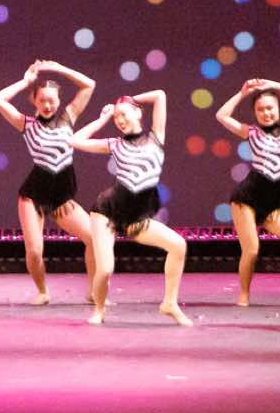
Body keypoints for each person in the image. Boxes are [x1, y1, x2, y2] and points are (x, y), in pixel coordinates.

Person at [73, 91, 192, 326]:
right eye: (116, 117)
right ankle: (99, 310)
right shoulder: (115, 144)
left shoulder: (156, 139)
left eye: (123, 114)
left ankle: (170, 303)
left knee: (178, 245)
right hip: (106, 212)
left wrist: (127, 98)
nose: (119, 120)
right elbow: (74, 140)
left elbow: (160, 95)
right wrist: (103, 119)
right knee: (105, 269)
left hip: (137, 218)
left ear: (138, 112)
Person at [0, 60, 99, 304]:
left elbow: (89, 85)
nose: (47, 105)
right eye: (42, 100)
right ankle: (42, 292)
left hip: (61, 197)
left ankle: (92, 292)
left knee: (93, 238)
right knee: (34, 251)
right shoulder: (26, 124)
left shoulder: (68, 118)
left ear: (59, 101)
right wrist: (26, 82)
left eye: (52, 100)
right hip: (34, 195)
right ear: (35, 101)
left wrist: (59, 69)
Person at [213, 77, 280, 308]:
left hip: (273, 203)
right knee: (251, 250)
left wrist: (272, 85)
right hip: (247, 199)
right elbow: (221, 115)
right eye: (260, 110)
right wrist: (242, 93)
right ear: (255, 113)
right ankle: (243, 295)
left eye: (270, 108)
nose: (266, 113)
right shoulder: (251, 132)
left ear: (278, 109)